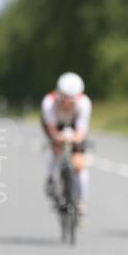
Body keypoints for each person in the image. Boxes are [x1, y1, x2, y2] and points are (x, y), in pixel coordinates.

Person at [42, 72, 92, 216]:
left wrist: (75, 139)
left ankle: (81, 201)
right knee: (56, 147)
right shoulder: (49, 102)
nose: (67, 104)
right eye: (64, 100)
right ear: (59, 96)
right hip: (56, 124)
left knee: (79, 163)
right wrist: (57, 138)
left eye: (71, 101)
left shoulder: (84, 103)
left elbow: (81, 131)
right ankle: (50, 178)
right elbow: (51, 129)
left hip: (74, 126)